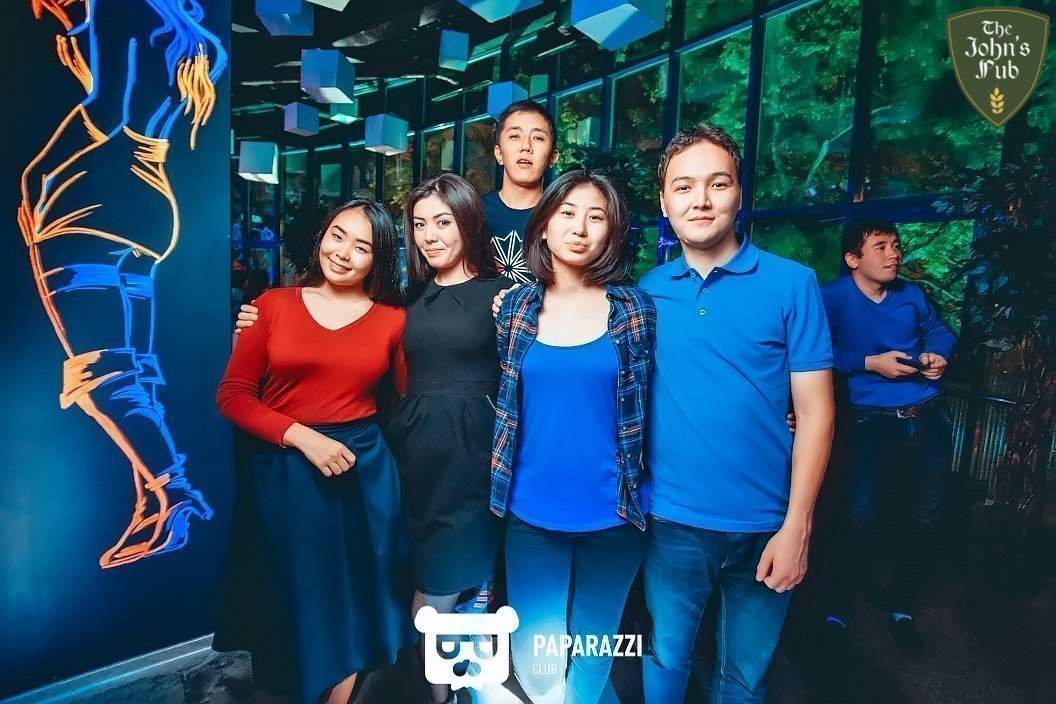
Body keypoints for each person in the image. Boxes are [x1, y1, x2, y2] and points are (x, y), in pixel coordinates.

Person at [235, 175, 514, 704]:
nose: (430, 235)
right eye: (420, 224)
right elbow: (386, 377)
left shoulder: (503, 297)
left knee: (444, 591)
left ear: (468, 222)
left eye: (443, 222)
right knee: (387, 587)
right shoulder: (405, 302)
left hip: (465, 465)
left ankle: (451, 692)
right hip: (402, 464)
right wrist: (256, 329)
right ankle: (437, 688)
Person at [18, 0, 226, 568]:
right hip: (151, 202)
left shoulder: (117, 5)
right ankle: (151, 503)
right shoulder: (192, 36)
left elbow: (107, 107)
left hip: (90, 196)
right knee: (130, 368)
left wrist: (38, 173)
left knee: (103, 371)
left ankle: (174, 490)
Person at [637, 125, 835, 704]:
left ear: (739, 193)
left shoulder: (793, 284)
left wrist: (798, 526)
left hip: (768, 523)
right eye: (683, 186)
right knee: (665, 662)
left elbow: (817, 413)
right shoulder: (646, 292)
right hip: (672, 522)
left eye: (717, 183)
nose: (700, 199)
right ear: (665, 203)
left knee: (744, 678)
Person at [214, 199, 416, 704]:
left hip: (361, 473)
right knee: (297, 599)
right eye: (337, 236)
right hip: (285, 471)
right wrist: (305, 438)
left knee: (352, 603)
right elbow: (233, 396)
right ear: (322, 236)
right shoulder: (270, 306)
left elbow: (412, 395)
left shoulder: (394, 321)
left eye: (362, 246)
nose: (343, 253)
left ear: (379, 259)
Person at [490, 170, 656, 704]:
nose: (580, 228)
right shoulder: (515, 309)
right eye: (567, 213)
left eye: (595, 216)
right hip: (531, 513)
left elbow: (662, 399)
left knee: (593, 652)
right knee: (536, 665)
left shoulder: (634, 311)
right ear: (543, 225)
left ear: (611, 232)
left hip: (616, 515)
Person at [819, 219, 956, 654]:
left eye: (896, 245)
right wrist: (868, 363)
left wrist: (938, 354)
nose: (894, 253)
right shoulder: (831, 297)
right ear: (853, 259)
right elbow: (813, 350)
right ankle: (838, 609)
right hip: (870, 422)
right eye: (881, 246)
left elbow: (940, 331)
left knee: (924, 516)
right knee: (858, 516)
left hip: (928, 418)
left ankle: (901, 607)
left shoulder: (911, 294)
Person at [483, 100, 559, 284]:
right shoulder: (473, 211)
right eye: (515, 136)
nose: (526, 146)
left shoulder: (562, 217)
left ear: (552, 157)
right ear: (498, 153)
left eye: (538, 138)